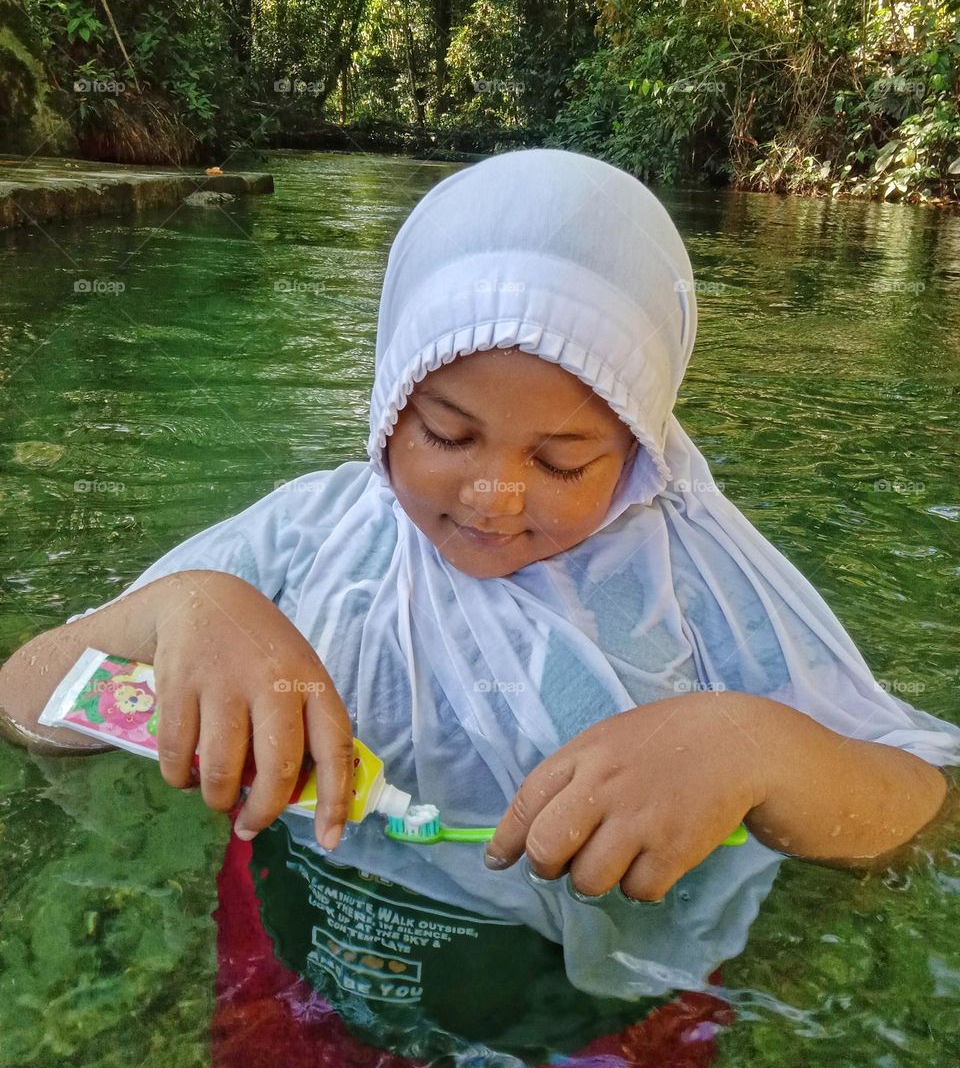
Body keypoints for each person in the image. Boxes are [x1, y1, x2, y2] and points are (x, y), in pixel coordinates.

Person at [2, 148, 959, 1065]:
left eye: (561, 461)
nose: (493, 495)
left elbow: (918, 813)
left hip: (600, 1014)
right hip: (298, 955)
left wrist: (759, 747)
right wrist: (184, 608)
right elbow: (25, 698)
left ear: (636, 450)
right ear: (386, 403)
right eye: (447, 434)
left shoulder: (699, 595)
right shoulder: (302, 541)